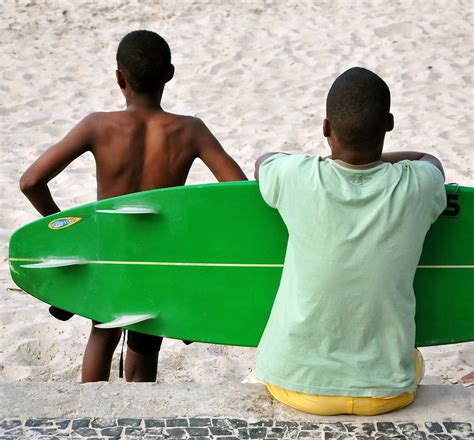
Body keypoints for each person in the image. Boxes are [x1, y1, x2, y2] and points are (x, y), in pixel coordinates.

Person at [20, 30, 247, 383]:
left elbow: (31, 181)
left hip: (108, 250)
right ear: (169, 74)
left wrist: (65, 230)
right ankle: (142, 418)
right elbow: (238, 192)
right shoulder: (190, 131)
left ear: (119, 77)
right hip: (159, 257)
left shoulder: (97, 125)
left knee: (103, 332)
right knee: (145, 341)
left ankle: (90, 418)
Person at [254, 67, 446, 415]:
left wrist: (331, 161)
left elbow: (263, 161)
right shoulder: (420, 185)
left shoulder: (298, 177)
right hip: (386, 391)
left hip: (295, 383)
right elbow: (430, 162)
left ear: (326, 128)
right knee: (414, 360)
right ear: (389, 123)